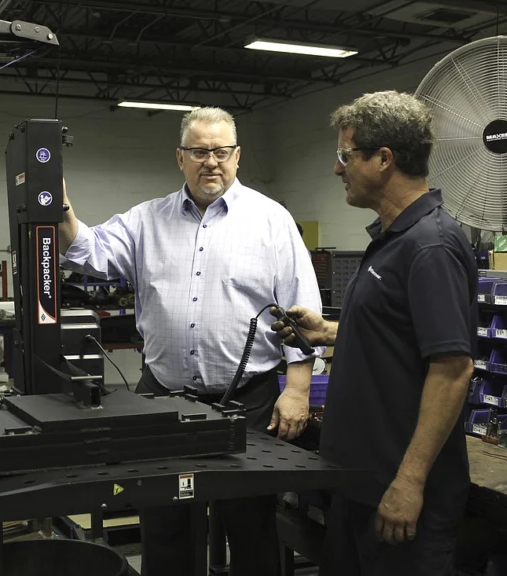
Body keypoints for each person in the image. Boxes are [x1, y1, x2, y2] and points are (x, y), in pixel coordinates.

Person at [59, 107, 324, 576]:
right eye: (200, 152)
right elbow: (85, 249)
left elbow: (303, 313)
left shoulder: (271, 221)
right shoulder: (146, 221)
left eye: (222, 152)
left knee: (251, 527)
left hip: (250, 402)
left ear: (238, 156)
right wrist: (54, 199)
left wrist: (298, 389)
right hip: (164, 401)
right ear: (180, 158)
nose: (211, 163)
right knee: (165, 526)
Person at [272, 91, 476, 576]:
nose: (338, 168)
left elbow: (452, 369)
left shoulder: (431, 246)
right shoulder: (393, 240)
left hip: (398, 495)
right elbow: (400, 333)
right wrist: (326, 331)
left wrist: (409, 483)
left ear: (384, 159)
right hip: (360, 487)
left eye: (346, 155)